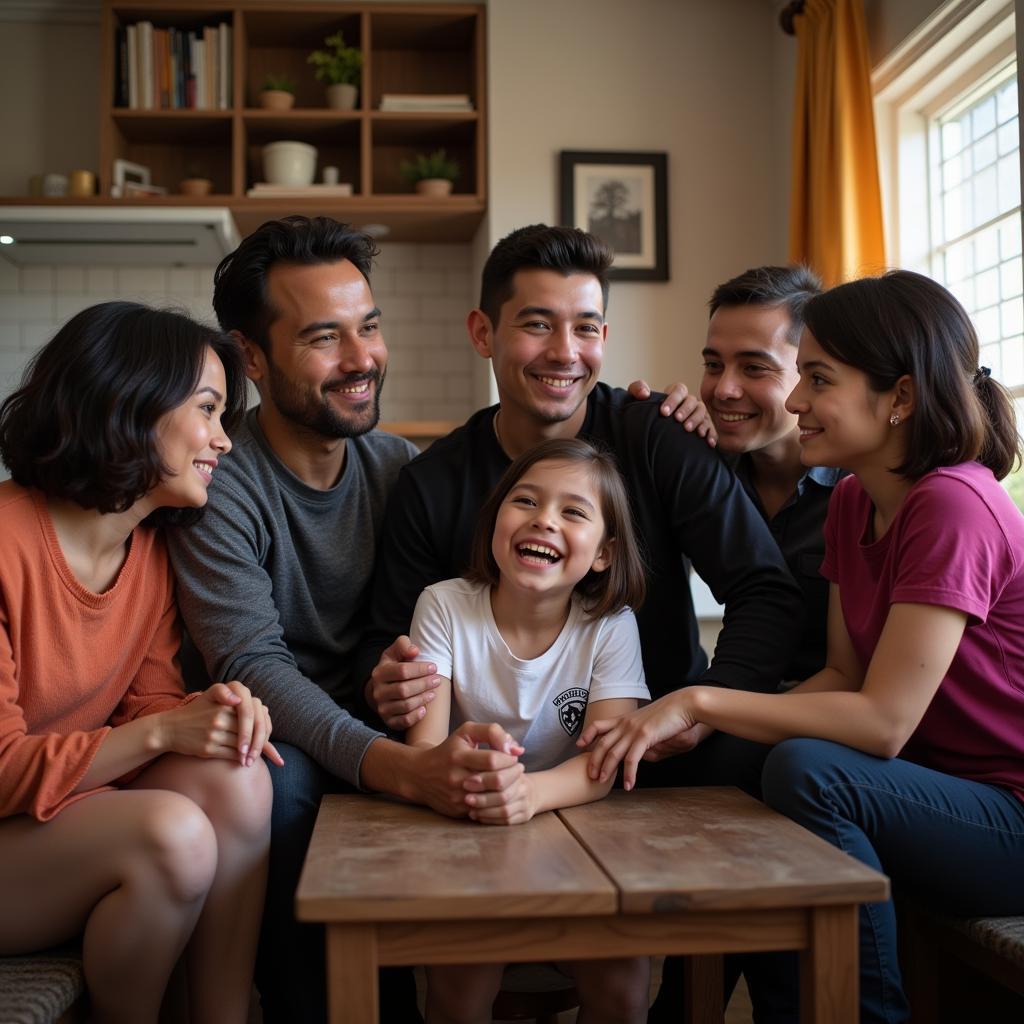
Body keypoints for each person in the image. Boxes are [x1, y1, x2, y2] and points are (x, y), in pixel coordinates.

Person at [581, 270, 1024, 1024]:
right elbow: (840, 675)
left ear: (901, 398)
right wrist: (698, 722)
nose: (793, 401)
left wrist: (695, 699)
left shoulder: (953, 504)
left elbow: (882, 721)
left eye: (815, 379)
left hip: (1006, 818)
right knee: (756, 756)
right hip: (930, 791)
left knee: (808, 771)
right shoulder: (857, 499)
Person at [166, 215, 542, 1022]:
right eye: (324, 338)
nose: (362, 359)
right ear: (251, 358)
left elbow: (483, 599)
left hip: (384, 733)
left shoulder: (400, 467)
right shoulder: (220, 483)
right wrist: (398, 767)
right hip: (278, 741)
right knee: (286, 788)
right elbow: (252, 666)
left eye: (369, 327)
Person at [360, 224, 802, 796]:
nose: (565, 352)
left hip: (668, 754)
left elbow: (765, 591)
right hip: (497, 769)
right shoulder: (431, 484)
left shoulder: (661, 437)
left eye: (585, 328)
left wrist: (701, 712)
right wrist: (386, 682)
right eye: (538, 324)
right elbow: (385, 643)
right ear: (483, 332)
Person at [0, 301, 279, 1024]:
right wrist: (162, 735)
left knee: (238, 774)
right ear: (130, 400)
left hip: (47, 825)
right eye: (209, 410)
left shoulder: (148, 553)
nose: (224, 440)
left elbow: (151, 704)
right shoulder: (5, 543)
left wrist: (203, 716)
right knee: (173, 835)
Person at [408, 438, 651, 1022]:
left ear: (603, 554)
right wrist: (482, 781)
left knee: (621, 981)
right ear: (495, 521)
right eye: (526, 501)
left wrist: (529, 794)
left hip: (579, 829)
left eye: (573, 511)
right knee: (460, 984)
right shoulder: (442, 606)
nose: (544, 519)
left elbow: (606, 758)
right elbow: (426, 751)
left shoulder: (612, 626)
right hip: (467, 829)